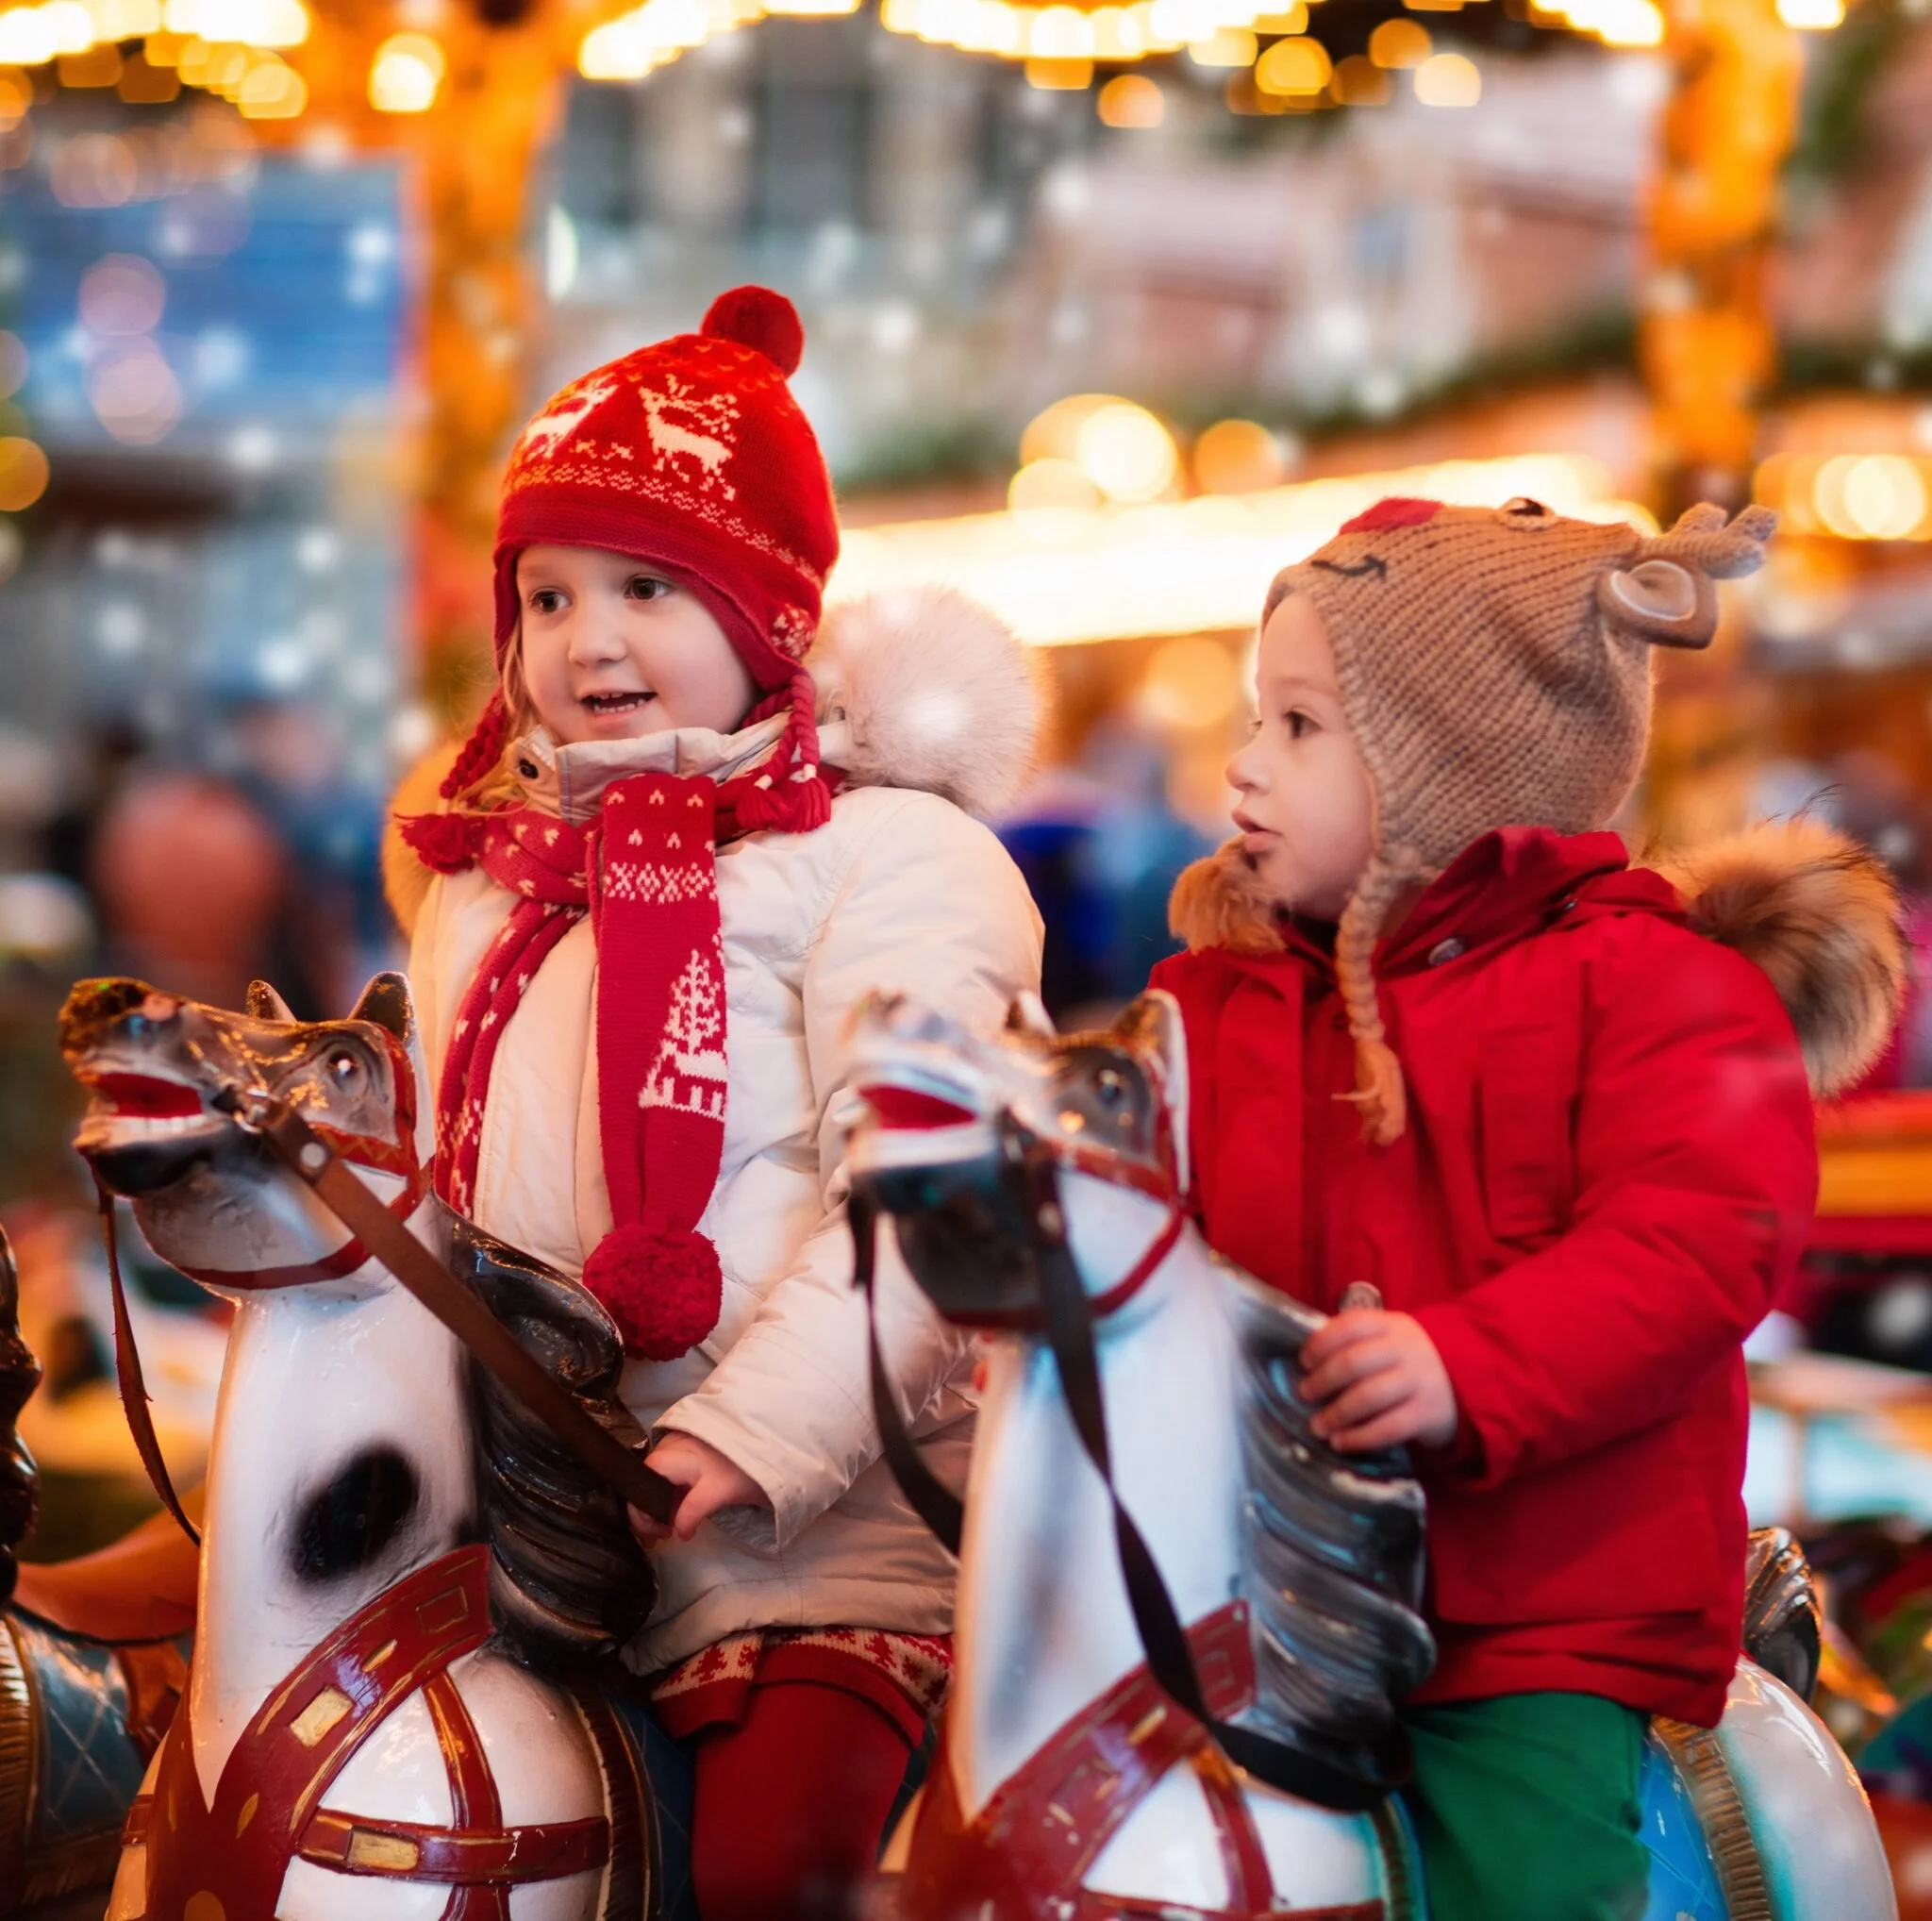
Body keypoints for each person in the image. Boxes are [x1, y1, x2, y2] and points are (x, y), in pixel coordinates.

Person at [386, 287, 1043, 1920]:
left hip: (819, 1531)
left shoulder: (892, 855)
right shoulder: (490, 885)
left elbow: (931, 1200)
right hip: (532, 1505)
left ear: (768, 620)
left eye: (647, 587)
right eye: (547, 596)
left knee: (764, 1874)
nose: (588, 640)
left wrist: (755, 1434)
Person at [1151, 495, 1904, 1921]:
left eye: (1301, 727)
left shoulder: (1655, 989)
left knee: (1525, 1868)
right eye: (1259, 718)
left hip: (1527, 1608)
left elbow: (1692, 1245)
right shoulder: (1212, 998)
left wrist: (1465, 1364)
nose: (1245, 764)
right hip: (1249, 1575)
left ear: (1449, 768)